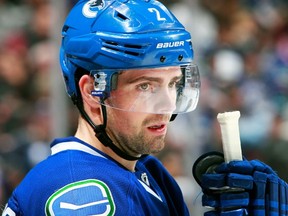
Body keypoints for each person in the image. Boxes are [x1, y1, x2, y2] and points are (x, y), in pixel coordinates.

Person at [2, 0, 200, 215]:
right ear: (92, 91)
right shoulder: (80, 192)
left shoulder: (146, 171)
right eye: (146, 86)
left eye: (172, 83)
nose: (168, 104)